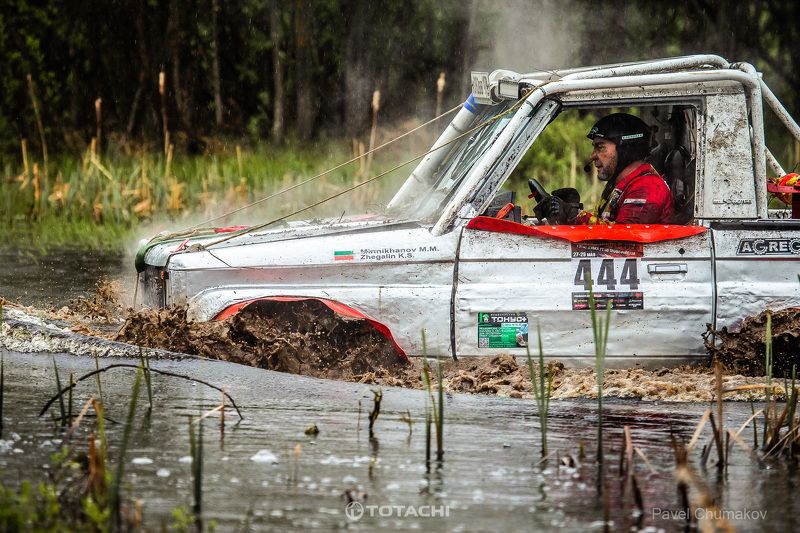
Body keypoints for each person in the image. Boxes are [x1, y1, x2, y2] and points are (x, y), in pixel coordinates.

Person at [542, 113, 674, 224]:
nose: (592, 155)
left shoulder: (646, 187)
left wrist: (574, 215)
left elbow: (622, 241)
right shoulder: (621, 185)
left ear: (625, 149)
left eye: (600, 147)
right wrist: (571, 208)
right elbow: (604, 226)